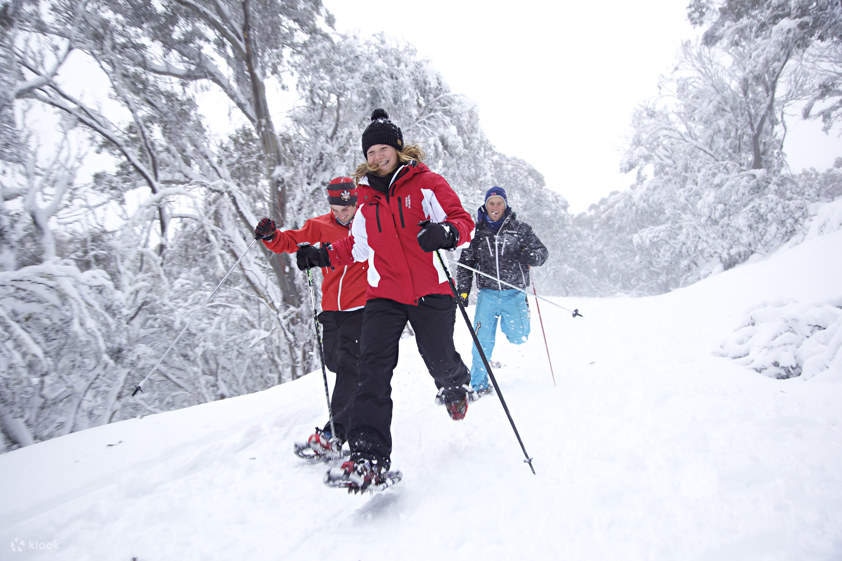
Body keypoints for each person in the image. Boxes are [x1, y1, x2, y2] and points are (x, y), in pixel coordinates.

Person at [296, 109, 475, 490]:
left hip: (430, 289)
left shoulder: (427, 184)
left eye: (382, 149)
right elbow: (357, 247)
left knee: (439, 357)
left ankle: (455, 383)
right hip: (384, 294)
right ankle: (369, 458)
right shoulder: (366, 199)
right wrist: (321, 255)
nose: (376, 157)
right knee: (371, 369)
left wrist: (446, 232)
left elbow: (463, 222)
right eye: (370, 152)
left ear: (397, 148)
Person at [253, 177, 367, 459]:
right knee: (334, 363)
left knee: (350, 368)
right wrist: (271, 236)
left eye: (347, 209)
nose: (342, 215)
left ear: (355, 203)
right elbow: (290, 241)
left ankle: (333, 434)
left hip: (362, 308)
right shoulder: (320, 225)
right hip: (331, 309)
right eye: (336, 209)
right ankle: (356, 407)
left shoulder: (366, 225)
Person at [456, 186, 548, 396]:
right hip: (487, 295)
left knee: (519, 337)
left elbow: (542, 252)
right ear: (485, 205)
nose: (495, 207)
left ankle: (518, 318)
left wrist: (530, 256)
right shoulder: (476, 232)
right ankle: (479, 385)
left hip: (513, 293)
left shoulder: (520, 229)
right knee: (481, 342)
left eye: (499, 203)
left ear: (505, 205)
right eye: (491, 203)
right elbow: (465, 264)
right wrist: (463, 292)